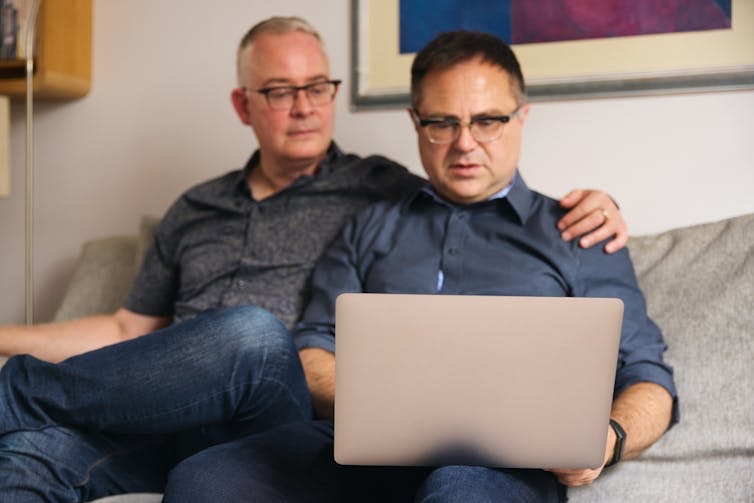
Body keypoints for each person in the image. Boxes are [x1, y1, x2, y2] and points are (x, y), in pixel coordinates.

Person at [0, 18, 628, 500]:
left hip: (277, 407)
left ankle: (13, 393)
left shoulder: (380, 193)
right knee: (31, 454)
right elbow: (124, 330)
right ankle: (19, 401)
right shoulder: (194, 207)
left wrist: (601, 205)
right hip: (175, 407)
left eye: (317, 88)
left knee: (250, 333)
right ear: (243, 104)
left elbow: (469, 178)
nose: (304, 107)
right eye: (279, 91)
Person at [162, 30, 678, 503]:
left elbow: (649, 376)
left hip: (503, 465)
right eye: (441, 123)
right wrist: (377, 407)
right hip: (361, 448)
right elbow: (315, 343)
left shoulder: (579, 231)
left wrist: (606, 440)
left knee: (457, 492)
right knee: (201, 479)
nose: (465, 143)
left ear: (522, 116)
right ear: (415, 121)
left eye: (488, 121)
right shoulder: (369, 226)